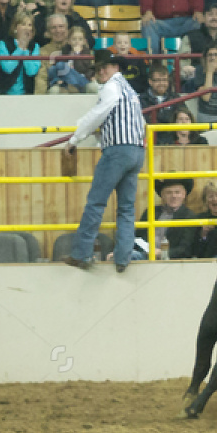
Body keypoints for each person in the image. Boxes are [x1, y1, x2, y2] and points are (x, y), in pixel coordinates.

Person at [62, 49, 147, 271]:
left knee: (96, 202)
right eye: (99, 69)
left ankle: (82, 254)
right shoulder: (130, 90)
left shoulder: (111, 87)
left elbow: (99, 112)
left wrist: (75, 138)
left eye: (104, 68)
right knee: (126, 208)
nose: (100, 72)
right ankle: (123, 258)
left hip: (117, 151)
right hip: (136, 150)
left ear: (114, 68)